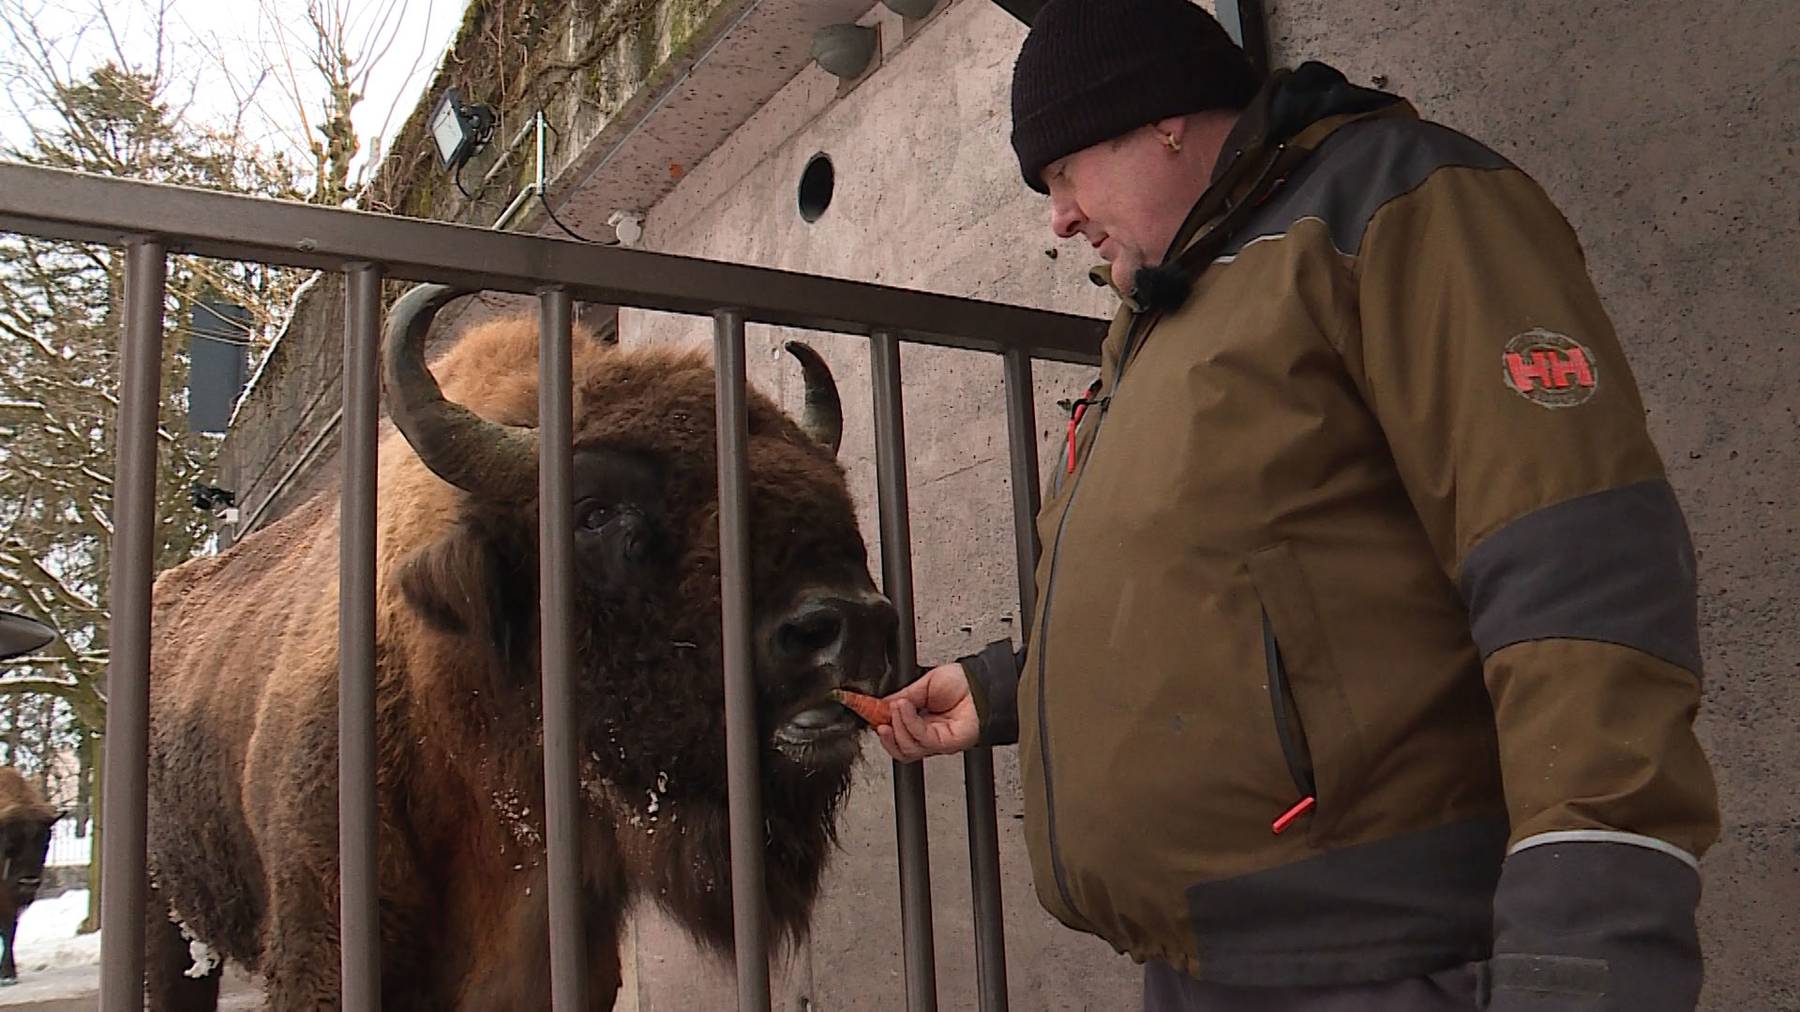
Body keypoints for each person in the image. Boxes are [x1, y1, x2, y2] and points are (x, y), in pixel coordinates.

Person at [873, 1, 1721, 1009]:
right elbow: (1234, 584)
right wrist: (1008, 688)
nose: (1057, 216)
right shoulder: (1167, 308)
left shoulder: (1399, 204)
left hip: (1376, 959)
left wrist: (1588, 952)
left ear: (1162, 117)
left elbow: (1574, 566)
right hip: (1206, 959)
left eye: (1061, 172)